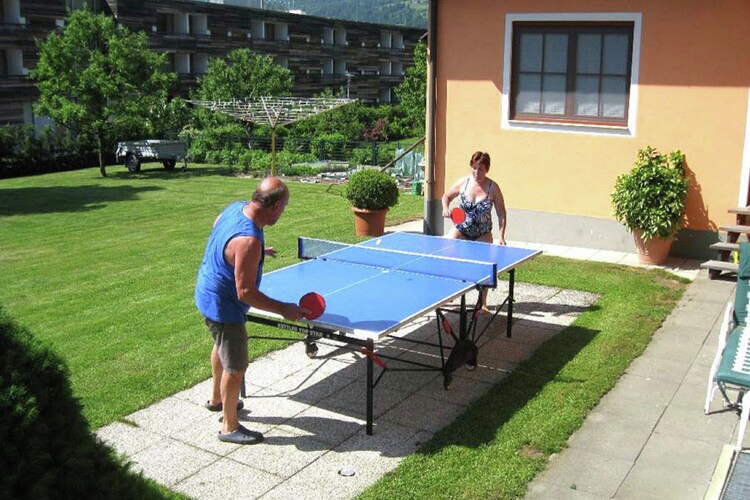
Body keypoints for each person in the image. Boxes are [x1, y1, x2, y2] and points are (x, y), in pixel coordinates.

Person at [194, 177, 307, 445]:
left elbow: (220, 228)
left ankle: (217, 399)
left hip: (206, 292)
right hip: (225, 305)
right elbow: (245, 292)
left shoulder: (236, 208)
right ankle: (229, 426)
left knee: (221, 346)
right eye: (284, 207)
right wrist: (283, 309)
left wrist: (251, 254)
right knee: (236, 367)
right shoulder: (249, 240)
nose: (283, 212)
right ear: (276, 206)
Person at [441, 151, 507, 311]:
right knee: (449, 257)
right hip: (461, 229)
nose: (477, 172)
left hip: (482, 233)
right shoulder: (463, 183)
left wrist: (501, 236)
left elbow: (501, 213)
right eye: (474, 168)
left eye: (481, 169)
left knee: (484, 267)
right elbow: (446, 196)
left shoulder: (493, 188)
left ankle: (482, 302)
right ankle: (450, 294)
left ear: (487, 169)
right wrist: (445, 208)